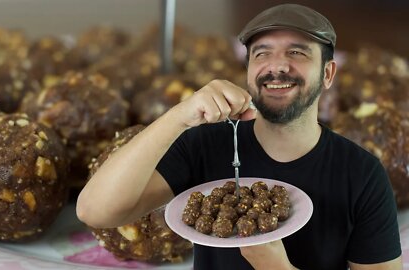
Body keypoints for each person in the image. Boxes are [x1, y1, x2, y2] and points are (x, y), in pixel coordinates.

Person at [76, 3, 402, 269]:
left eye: (297, 53)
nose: (278, 66)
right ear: (247, 71)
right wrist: (178, 116)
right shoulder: (208, 144)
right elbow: (96, 211)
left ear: (327, 73)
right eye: (262, 54)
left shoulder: (361, 174)